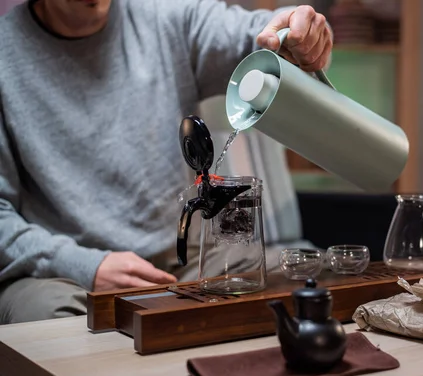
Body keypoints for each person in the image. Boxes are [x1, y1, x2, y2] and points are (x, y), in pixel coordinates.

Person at [0, 0, 333, 324]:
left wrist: (303, 31)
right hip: (64, 276)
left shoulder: (168, 18)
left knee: (311, 273)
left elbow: (259, 34)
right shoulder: (7, 53)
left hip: (184, 260)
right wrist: (83, 265)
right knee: (47, 322)